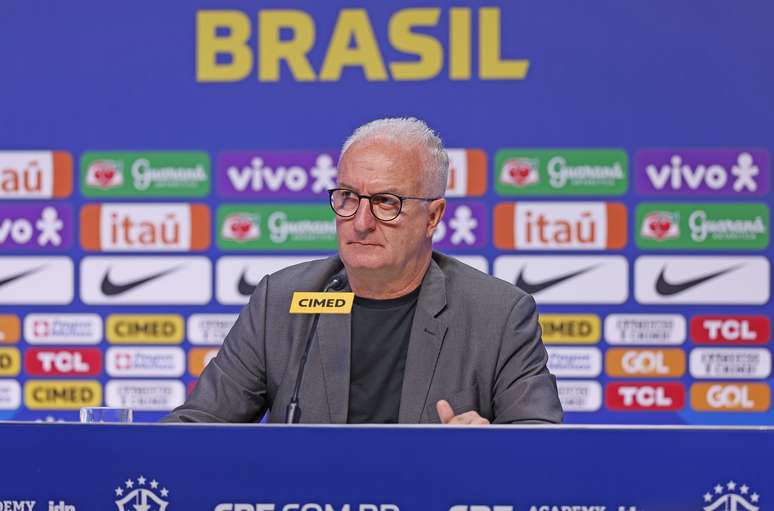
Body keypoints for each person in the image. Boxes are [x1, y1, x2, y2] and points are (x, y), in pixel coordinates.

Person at [164, 117, 562, 424]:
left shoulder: (497, 314)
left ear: (433, 216)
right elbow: (198, 427)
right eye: (349, 197)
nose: (361, 222)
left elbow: (543, 448)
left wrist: (490, 448)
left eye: (386, 202)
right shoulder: (281, 302)